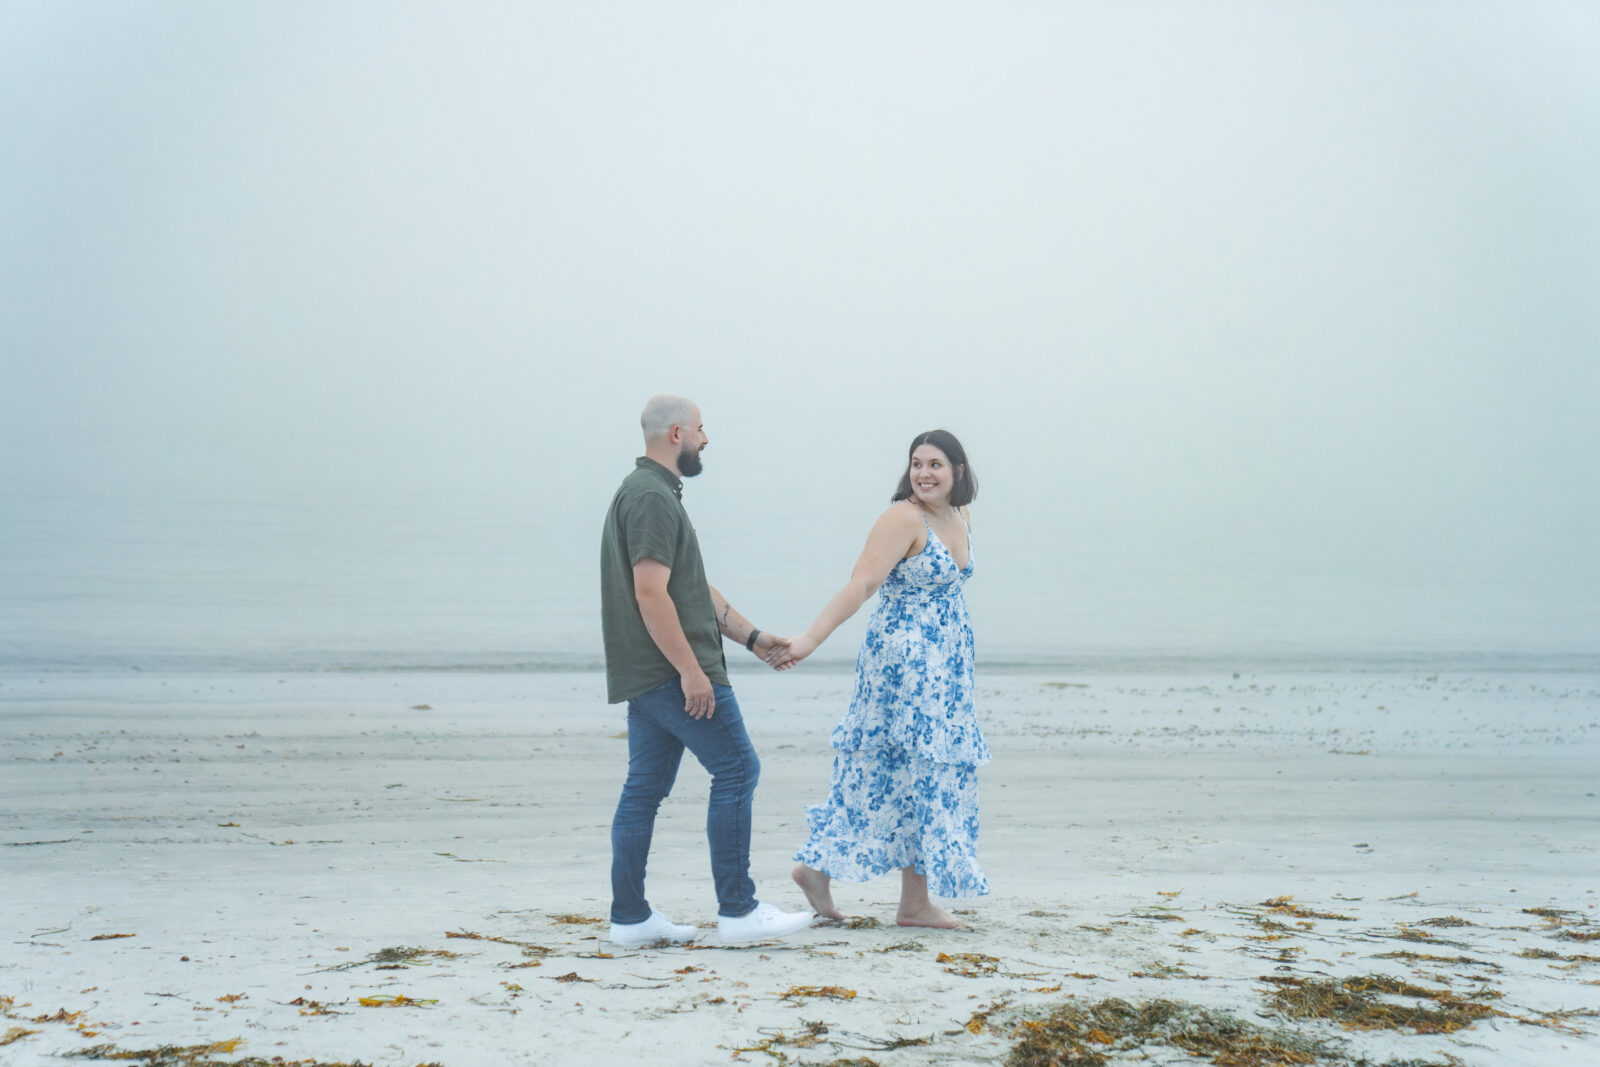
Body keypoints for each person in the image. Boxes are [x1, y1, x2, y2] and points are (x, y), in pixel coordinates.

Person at [600, 393, 814, 947]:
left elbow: (690, 588)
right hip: (672, 672)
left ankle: (630, 918)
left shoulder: (651, 493)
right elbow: (651, 594)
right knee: (738, 770)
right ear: (676, 434)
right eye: (700, 428)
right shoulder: (650, 497)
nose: (706, 438)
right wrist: (692, 672)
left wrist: (753, 639)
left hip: (646, 675)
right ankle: (739, 911)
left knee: (644, 789)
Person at [770, 429, 989, 928]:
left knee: (926, 775)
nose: (924, 473)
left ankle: (908, 901)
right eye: (916, 463)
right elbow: (862, 583)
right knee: (905, 771)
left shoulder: (960, 516)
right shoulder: (902, 517)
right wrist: (809, 639)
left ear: (958, 471)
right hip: (905, 662)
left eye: (935, 464)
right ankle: (826, 871)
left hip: (948, 663)